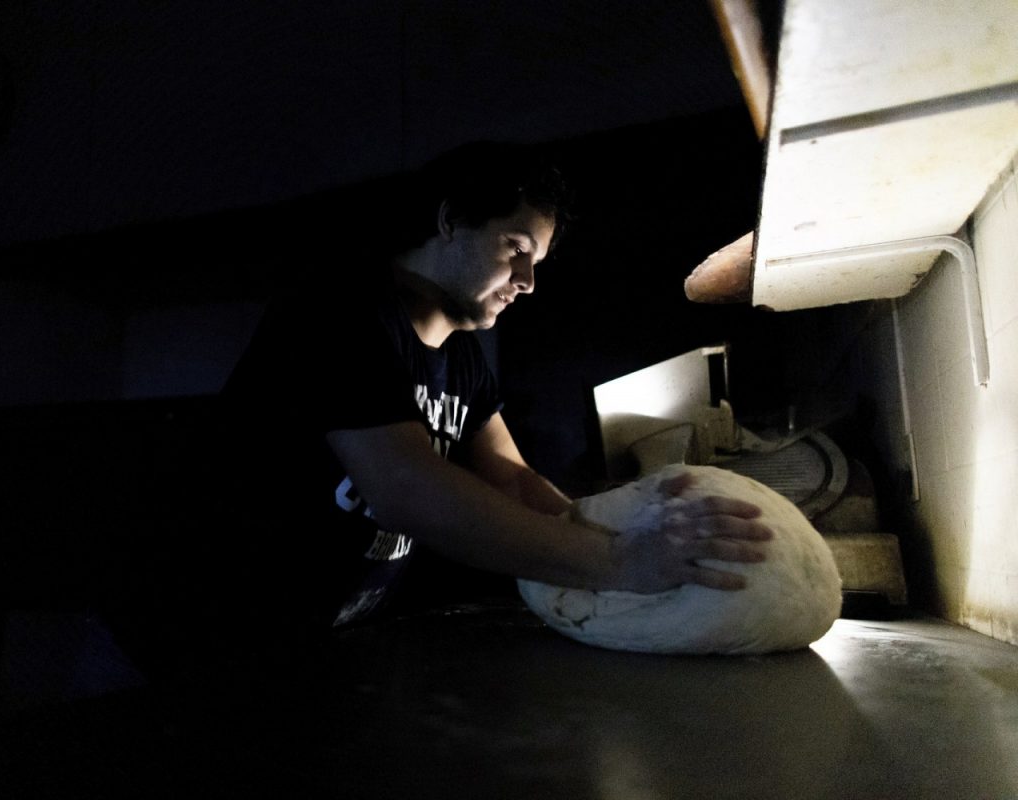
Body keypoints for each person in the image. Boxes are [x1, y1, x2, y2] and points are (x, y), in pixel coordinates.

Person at [215, 140, 771, 641]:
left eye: (538, 262)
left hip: (331, 633)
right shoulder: (341, 312)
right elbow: (405, 488)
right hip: (226, 630)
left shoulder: (461, 360)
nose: (528, 281)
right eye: (515, 247)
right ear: (452, 220)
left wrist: (627, 526)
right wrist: (617, 560)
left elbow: (514, 480)